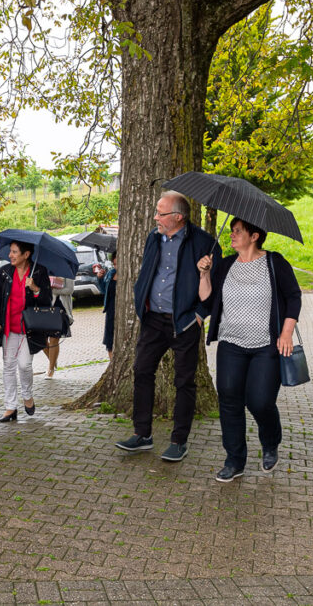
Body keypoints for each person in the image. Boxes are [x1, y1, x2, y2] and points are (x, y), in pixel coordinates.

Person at [115, 190, 220, 462]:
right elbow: (149, 270)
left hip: (184, 322)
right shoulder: (154, 236)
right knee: (141, 371)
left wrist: (198, 315)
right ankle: (142, 434)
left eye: (160, 213)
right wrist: (142, 300)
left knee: (184, 381)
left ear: (178, 217)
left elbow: (213, 293)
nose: (155, 217)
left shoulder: (204, 244)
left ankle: (179, 440)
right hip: (153, 320)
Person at [199, 218, 301, 483]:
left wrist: (287, 332)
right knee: (229, 401)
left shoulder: (274, 262)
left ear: (254, 236)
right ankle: (235, 460)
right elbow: (207, 300)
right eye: (231, 231)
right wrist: (204, 274)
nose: (232, 236)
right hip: (231, 344)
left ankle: (270, 442)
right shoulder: (226, 265)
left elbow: (293, 297)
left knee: (259, 401)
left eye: (237, 232)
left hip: (266, 345)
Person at [0, 241, 53, 422]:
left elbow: (47, 301)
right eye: (10, 251)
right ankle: (10, 407)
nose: (10, 255)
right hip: (8, 329)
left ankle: (27, 395)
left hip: (29, 329)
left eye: (14, 252)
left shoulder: (39, 271)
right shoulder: (4, 272)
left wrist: (35, 289)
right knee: (8, 366)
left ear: (26, 255)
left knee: (24, 365)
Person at [41, 275, 73, 378]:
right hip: (43, 308)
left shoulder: (65, 271)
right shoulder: (42, 270)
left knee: (54, 339)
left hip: (60, 308)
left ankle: (50, 369)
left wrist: (53, 291)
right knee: (41, 340)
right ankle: (53, 360)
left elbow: (69, 290)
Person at [95, 250, 117, 358]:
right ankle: (112, 364)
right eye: (114, 264)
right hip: (111, 310)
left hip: (123, 311)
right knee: (110, 340)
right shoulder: (111, 273)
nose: (116, 266)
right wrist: (100, 279)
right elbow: (104, 290)